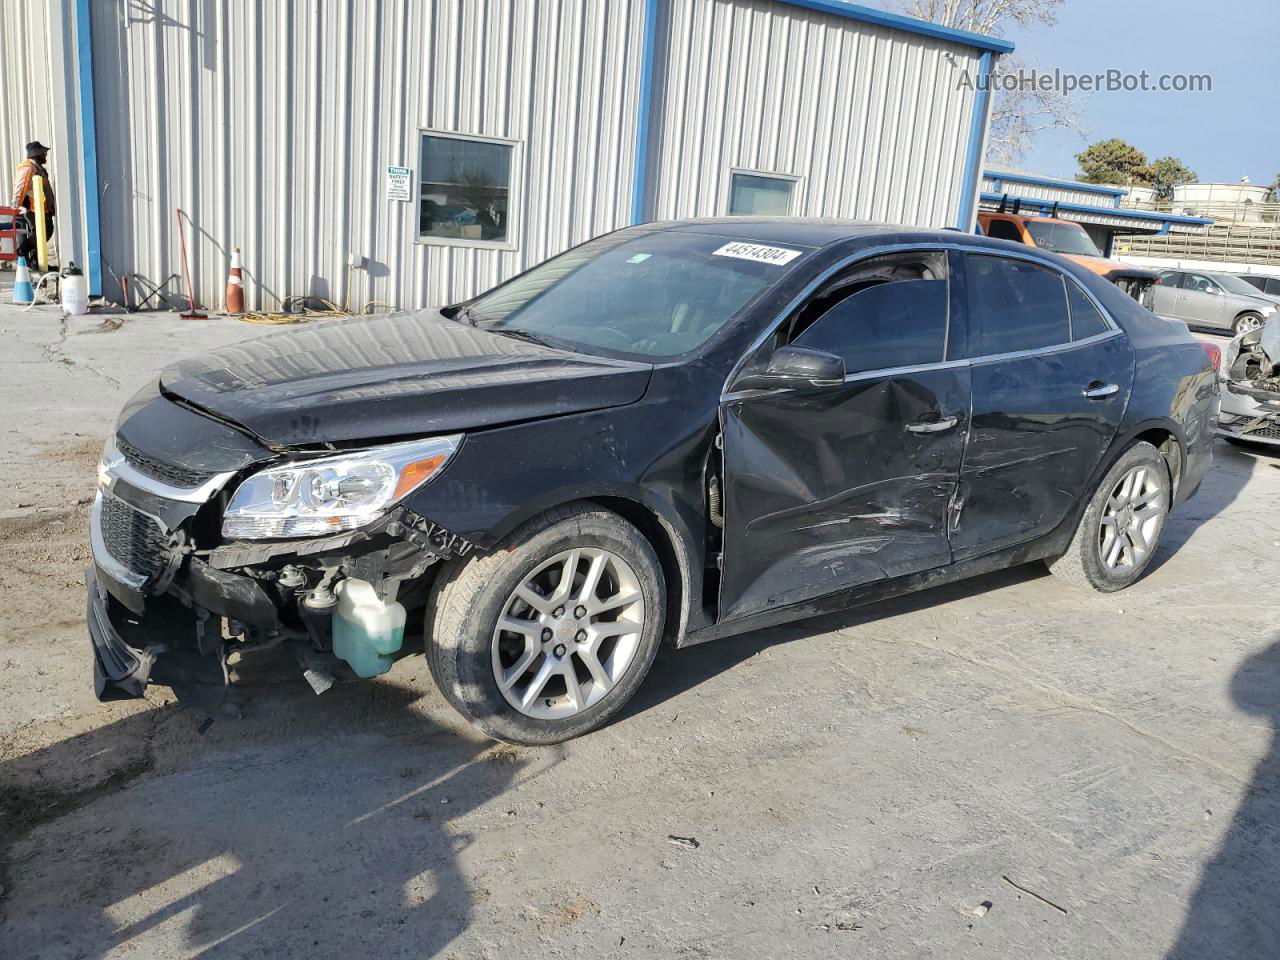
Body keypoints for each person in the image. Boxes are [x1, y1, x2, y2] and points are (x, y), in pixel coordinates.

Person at [12, 140, 55, 266]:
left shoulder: (37, 168)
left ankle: (36, 262)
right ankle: (21, 252)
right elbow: (20, 187)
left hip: (41, 210)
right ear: (37, 155)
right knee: (43, 233)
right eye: (43, 154)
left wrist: (51, 207)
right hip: (33, 210)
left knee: (42, 234)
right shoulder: (28, 168)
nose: (45, 156)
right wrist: (15, 207)